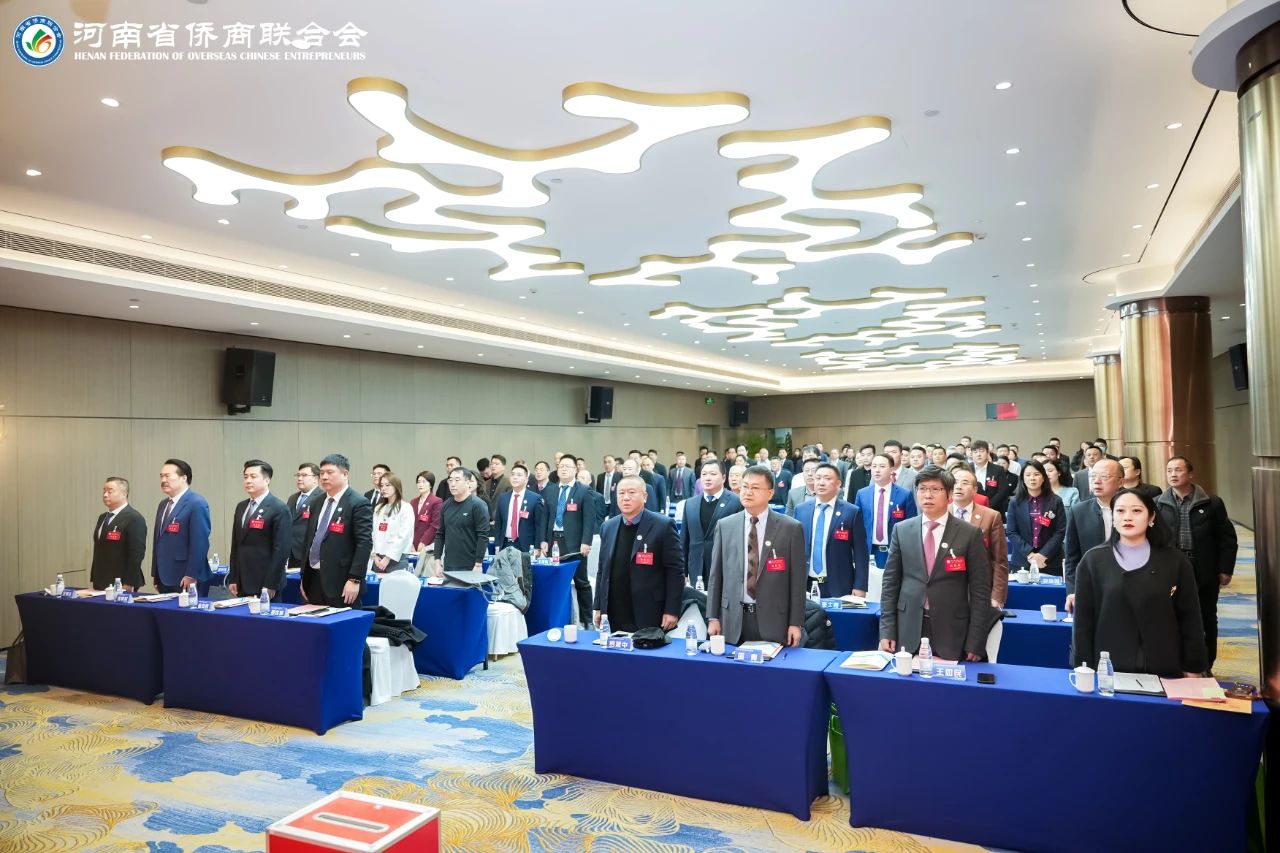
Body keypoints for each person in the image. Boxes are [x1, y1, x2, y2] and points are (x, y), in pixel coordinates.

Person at [1073, 488, 1207, 677]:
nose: (1127, 517)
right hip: (1110, 667)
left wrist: (1193, 666)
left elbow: (1190, 617)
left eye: (1136, 510)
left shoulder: (1175, 561)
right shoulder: (1093, 561)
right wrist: (1083, 666)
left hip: (1164, 663)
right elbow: (1083, 622)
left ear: (1151, 517)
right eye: (1120, 511)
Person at [879, 465, 994, 662]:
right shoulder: (902, 530)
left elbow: (980, 591)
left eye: (935, 489)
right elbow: (890, 584)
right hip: (908, 627)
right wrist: (887, 629)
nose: (927, 495)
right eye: (922, 489)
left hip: (952, 629)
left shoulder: (969, 534)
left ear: (949, 494)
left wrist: (976, 640)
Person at [706, 465, 806, 647]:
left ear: (770, 493)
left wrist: (795, 623)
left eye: (755, 488)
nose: (748, 492)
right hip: (732, 619)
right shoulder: (725, 525)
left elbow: (797, 582)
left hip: (774, 621)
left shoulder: (790, 528)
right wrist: (713, 617)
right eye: (745, 486)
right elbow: (716, 576)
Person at [1156, 456, 1237, 672]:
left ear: (1190, 474)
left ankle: (1206, 664)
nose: (1173, 474)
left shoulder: (1211, 502)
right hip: (1172, 568)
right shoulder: (1159, 503)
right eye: (1169, 470)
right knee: (1171, 616)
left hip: (1203, 567)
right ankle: (1177, 662)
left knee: (1205, 616)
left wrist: (1225, 569)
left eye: (1178, 470)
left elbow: (1227, 538)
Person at [592, 475, 685, 633]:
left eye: (631, 492)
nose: (626, 498)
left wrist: (671, 609)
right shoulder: (608, 526)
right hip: (614, 611)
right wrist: (599, 606)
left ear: (645, 496)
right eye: (621, 493)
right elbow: (602, 569)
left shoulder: (663, 525)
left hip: (649, 611)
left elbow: (675, 571)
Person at [302, 453, 372, 606]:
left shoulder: (358, 503)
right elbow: (309, 539)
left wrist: (355, 579)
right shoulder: (316, 502)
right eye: (321, 473)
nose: (324, 477)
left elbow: (364, 543)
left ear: (345, 474)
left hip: (342, 581)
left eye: (329, 472)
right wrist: (304, 576)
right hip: (313, 579)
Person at [793, 462, 868, 597]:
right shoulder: (801, 510)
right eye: (818, 478)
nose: (821, 483)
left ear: (838, 484)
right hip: (805, 584)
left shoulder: (851, 512)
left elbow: (861, 553)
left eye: (827, 479)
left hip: (839, 585)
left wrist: (860, 586)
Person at [544, 454, 601, 626]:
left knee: (581, 582)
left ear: (575, 470)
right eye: (561, 466)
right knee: (556, 582)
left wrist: (586, 542)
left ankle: (587, 620)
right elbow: (544, 518)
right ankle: (559, 620)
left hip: (576, 544)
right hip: (554, 542)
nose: (563, 469)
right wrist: (542, 541)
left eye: (567, 466)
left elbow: (589, 519)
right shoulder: (550, 490)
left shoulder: (583, 491)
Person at [1064, 458, 1124, 612]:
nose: (1096, 481)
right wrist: (1073, 590)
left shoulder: (1135, 509)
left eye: (1104, 476)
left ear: (1120, 482)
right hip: (1092, 586)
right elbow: (1072, 558)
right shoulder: (1079, 511)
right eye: (1093, 476)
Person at [226, 459, 291, 599]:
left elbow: (281, 551)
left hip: (265, 582)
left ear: (267, 480)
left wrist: (271, 584)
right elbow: (236, 544)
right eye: (245, 477)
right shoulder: (241, 507)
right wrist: (233, 577)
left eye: (253, 476)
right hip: (242, 581)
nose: (248, 481)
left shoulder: (279, 508)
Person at [151, 458, 212, 594]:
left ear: (184, 478)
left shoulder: (196, 503)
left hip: (186, 577)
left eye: (167, 476)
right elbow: (158, 541)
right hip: (164, 576)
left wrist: (191, 574)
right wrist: (155, 573)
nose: (163, 480)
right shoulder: (163, 505)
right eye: (161, 476)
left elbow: (200, 543)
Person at [951, 467, 1009, 609]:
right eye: (955, 482)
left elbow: (999, 560)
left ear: (975, 490)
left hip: (980, 589)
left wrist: (997, 595)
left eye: (965, 483)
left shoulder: (991, 516)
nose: (958, 486)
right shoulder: (940, 513)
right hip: (947, 588)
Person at [680, 461, 741, 588]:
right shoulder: (690, 504)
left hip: (725, 568)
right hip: (696, 568)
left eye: (713, 474)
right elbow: (684, 540)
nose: (707, 478)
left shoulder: (736, 502)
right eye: (704, 474)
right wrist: (683, 571)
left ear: (723, 478)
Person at [855, 454, 917, 570]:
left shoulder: (904, 494)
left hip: (894, 550)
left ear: (891, 470)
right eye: (874, 466)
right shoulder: (862, 494)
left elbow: (912, 526)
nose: (877, 470)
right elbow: (857, 525)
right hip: (869, 551)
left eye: (882, 466)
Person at [1005, 460, 1067, 575]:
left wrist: (1043, 555)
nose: (1032, 478)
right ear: (1023, 479)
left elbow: (1060, 531)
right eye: (1028, 475)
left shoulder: (1056, 501)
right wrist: (1030, 554)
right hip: (1022, 560)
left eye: (1036, 474)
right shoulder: (1015, 502)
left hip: (1050, 560)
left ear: (1043, 478)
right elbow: (1011, 532)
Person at [91, 476, 146, 591]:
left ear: (124, 493)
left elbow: (136, 554)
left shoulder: (134, 518)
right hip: (100, 580)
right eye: (104, 491)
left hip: (121, 582)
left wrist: (129, 583)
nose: (105, 495)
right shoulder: (102, 517)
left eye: (110, 491)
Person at [434, 467, 491, 572]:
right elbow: (440, 534)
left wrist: (478, 564)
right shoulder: (445, 505)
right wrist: (437, 562)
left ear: (468, 483)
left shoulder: (478, 505)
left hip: (471, 564)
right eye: (450, 480)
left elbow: (482, 536)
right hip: (449, 564)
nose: (453, 484)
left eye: (457, 480)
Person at [495, 463, 547, 553]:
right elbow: (498, 524)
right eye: (513, 474)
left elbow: (539, 525)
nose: (515, 477)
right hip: (505, 544)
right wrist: (497, 545)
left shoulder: (535, 498)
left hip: (526, 546)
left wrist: (537, 547)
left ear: (526, 479)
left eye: (519, 475)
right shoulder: (503, 498)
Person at [370, 472, 415, 573]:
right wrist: (374, 554)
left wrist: (388, 557)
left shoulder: (405, 508)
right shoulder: (378, 508)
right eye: (382, 485)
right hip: (378, 559)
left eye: (387, 485)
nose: (383, 488)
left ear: (396, 486)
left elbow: (403, 536)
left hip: (397, 559)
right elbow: (373, 533)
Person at [286, 463, 324, 569]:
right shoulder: (292, 498)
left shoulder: (322, 497)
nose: (299, 478)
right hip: (290, 553)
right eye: (298, 475)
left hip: (309, 554)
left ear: (315, 479)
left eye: (304, 475)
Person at [410, 470, 443, 576]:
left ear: (430, 484)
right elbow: (409, 524)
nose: (420, 484)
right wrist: (410, 542)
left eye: (424, 482)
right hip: (413, 544)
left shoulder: (436, 501)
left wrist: (423, 542)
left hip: (427, 544)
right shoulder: (413, 501)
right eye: (418, 482)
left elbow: (435, 524)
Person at [970, 440, 1015, 513]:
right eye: (975, 452)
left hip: (994, 509)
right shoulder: (966, 469)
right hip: (970, 508)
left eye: (981, 451)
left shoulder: (998, 469)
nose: (978, 454)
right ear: (971, 454)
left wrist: (988, 505)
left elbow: (1002, 491)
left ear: (988, 453)